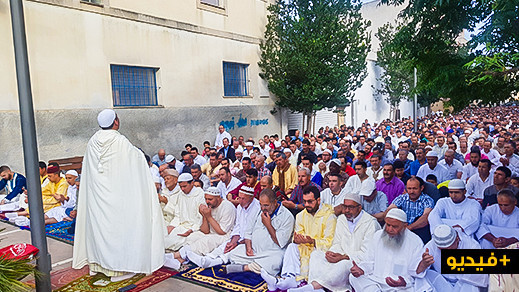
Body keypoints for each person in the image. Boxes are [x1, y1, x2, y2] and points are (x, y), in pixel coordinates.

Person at [73, 109, 164, 281]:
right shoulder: (120, 141)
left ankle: (98, 265)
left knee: (100, 229)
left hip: (98, 196)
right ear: (115, 122)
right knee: (119, 230)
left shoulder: (92, 141)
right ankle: (120, 268)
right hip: (118, 196)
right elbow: (136, 161)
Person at [296, 193, 380, 292]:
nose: (347, 210)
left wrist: (344, 257)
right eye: (344, 207)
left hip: (355, 261)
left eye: (351, 207)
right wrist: (332, 253)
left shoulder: (370, 223)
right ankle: (318, 287)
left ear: (359, 207)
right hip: (339, 256)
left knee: (344, 264)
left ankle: (314, 286)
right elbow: (337, 243)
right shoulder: (342, 219)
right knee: (316, 255)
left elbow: (367, 254)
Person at [261, 186, 336, 291]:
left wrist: (312, 241)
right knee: (292, 247)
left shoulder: (329, 216)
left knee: (315, 254)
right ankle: (288, 278)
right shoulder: (301, 215)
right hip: (304, 248)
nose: (306, 205)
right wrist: (296, 239)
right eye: (304, 201)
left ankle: (302, 284)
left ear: (318, 200)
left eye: (310, 202)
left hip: (319, 252)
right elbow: (298, 235)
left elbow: (330, 242)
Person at [349, 208, 432, 292]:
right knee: (353, 277)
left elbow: (415, 270)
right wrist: (361, 270)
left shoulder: (415, 241)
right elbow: (369, 261)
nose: (389, 229)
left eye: (394, 226)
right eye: (388, 225)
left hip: (400, 286)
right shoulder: (378, 236)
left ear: (405, 226)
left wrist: (423, 264)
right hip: (376, 281)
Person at [185, 186, 261, 269]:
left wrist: (238, 243)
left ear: (251, 198)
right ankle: (207, 258)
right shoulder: (240, 207)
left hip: (251, 242)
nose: (240, 201)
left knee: (233, 252)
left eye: (243, 199)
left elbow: (255, 233)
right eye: (239, 198)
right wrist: (233, 241)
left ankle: (212, 262)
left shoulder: (258, 209)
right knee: (225, 246)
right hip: (239, 238)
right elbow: (238, 227)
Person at [226, 189, 295, 276]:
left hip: (272, 253)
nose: (263, 208)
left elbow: (280, 242)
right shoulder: (258, 210)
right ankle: (256, 267)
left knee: (276, 261)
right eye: (261, 205)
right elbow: (248, 231)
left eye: (266, 205)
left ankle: (245, 267)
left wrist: (268, 225)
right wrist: (248, 248)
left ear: (274, 202)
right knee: (233, 253)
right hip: (254, 251)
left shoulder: (287, 217)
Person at [164, 187, 236, 270]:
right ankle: (179, 260)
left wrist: (208, 216)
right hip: (211, 233)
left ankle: (175, 256)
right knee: (193, 237)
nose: (207, 201)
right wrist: (204, 216)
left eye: (210, 199)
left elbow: (222, 231)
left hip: (224, 236)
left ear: (218, 198)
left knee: (204, 242)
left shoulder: (228, 207)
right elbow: (205, 231)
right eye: (206, 199)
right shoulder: (208, 206)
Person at [424, 225, 488, 291]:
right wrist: (424, 264)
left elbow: (481, 277)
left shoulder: (472, 246)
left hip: (466, 282)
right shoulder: (431, 246)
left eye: (450, 248)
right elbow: (418, 269)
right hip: (443, 280)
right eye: (443, 250)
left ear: (457, 238)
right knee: (426, 275)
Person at [163, 173, 206, 252]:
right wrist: (172, 226)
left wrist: (192, 229)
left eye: (184, 186)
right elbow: (178, 214)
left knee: (187, 242)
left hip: (196, 229)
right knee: (165, 239)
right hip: (181, 226)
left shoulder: (200, 195)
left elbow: (202, 217)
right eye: (180, 187)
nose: (182, 189)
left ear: (192, 183)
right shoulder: (180, 194)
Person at [388, 177, 435, 243]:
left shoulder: (427, 200)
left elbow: (426, 217)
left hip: (418, 232)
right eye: (409, 188)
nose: (411, 191)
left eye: (414, 188)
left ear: (421, 188)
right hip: (401, 231)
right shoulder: (402, 198)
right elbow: (389, 211)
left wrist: (409, 228)